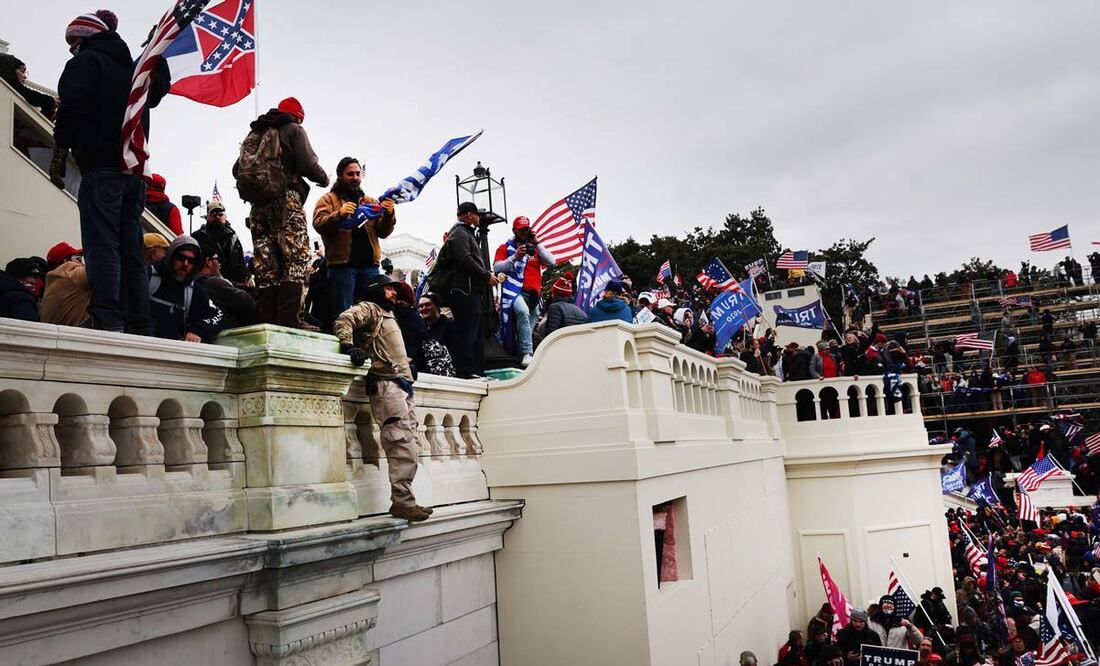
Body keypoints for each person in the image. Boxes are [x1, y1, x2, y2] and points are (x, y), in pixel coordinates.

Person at [51, 9, 171, 335]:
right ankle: (139, 321)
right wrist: (156, 52)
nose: (72, 49)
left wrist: (61, 149)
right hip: (133, 174)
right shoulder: (132, 70)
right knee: (131, 249)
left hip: (101, 167)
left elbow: (71, 109)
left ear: (86, 38)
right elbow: (157, 93)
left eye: (74, 42)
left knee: (101, 244)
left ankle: (106, 315)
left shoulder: (84, 64)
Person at [334, 274, 433, 522]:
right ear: (375, 290)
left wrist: (407, 370)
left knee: (409, 444)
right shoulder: (370, 309)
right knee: (400, 442)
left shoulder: (387, 314)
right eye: (389, 289)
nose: (393, 293)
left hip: (400, 384)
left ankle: (405, 501)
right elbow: (344, 320)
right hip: (386, 385)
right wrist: (348, 346)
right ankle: (403, 503)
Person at [236, 96, 329, 329]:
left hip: (258, 206)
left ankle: (267, 320)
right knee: (296, 258)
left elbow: (237, 168)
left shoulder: (254, 133)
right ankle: (289, 321)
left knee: (266, 263)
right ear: (298, 116)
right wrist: (324, 178)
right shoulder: (293, 129)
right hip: (286, 200)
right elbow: (308, 164)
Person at [312, 157, 396, 315]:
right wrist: (339, 215)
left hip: (370, 268)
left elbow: (383, 232)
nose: (355, 177)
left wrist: (389, 214)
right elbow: (319, 224)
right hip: (342, 267)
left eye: (358, 174)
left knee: (372, 313)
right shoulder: (328, 200)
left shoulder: (370, 201)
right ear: (340, 176)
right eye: (350, 174)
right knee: (344, 314)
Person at [443, 202, 499, 379]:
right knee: (467, 331)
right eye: (477, 215)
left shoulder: (464, 233)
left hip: (470, 290)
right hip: (464, 290)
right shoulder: (460, 232)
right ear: (469, 215)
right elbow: (464, 259)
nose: (479, 218)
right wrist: (485, 275)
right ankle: (466, 371)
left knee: (474, 331)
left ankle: (475, 370)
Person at [493, 216, 556, 366]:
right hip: (515, 291)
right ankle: (528, 353)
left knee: (526, 327)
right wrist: (515, 257)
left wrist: (537, 243)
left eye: (526, 229)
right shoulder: (505, 247)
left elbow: (552, 262)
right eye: (521, 230)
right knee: (522, 313)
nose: (524, 232)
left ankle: (520, 357)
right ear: (514, 230)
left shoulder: (534, 249)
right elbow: (496, 268)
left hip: (534, 295)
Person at [148, 235, 224, 342]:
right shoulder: (148, 276)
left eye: (191, 261)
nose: (185, 264)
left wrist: (197, 330)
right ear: (171, 256)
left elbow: (218, 316)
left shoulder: (193, 290)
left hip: (172, 352)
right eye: (181, 258)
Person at [193, 249, 258, 330]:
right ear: (208, 261)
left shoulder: (193, 283)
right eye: (218, 260)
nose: (220, 264)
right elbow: (248, 302)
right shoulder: (213, 282)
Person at [192, 200, 248, 285]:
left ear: (225, 217)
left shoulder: (234, 239)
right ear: (207, 217)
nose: (217, 217)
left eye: (220, 214)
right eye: (213, 214)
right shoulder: (197, 236)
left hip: (233, 287)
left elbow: (241, 264)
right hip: (207, 285)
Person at [40, 242, 90, 327]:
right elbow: (100, 268)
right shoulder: (68, 273)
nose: (82, 264)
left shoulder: (54, 281)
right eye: (79, 259)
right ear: (65, 261)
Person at [0, 53, 56, 118]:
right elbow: (29, 94)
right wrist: (50, 100)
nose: (25, 76)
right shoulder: (10, 86)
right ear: (9, 69)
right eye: (22, 71)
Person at [540, 274, 586, 339]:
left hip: (561, 345)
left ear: (555, 294)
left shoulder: (555, 307)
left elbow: (551, 334)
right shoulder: (580, 310)